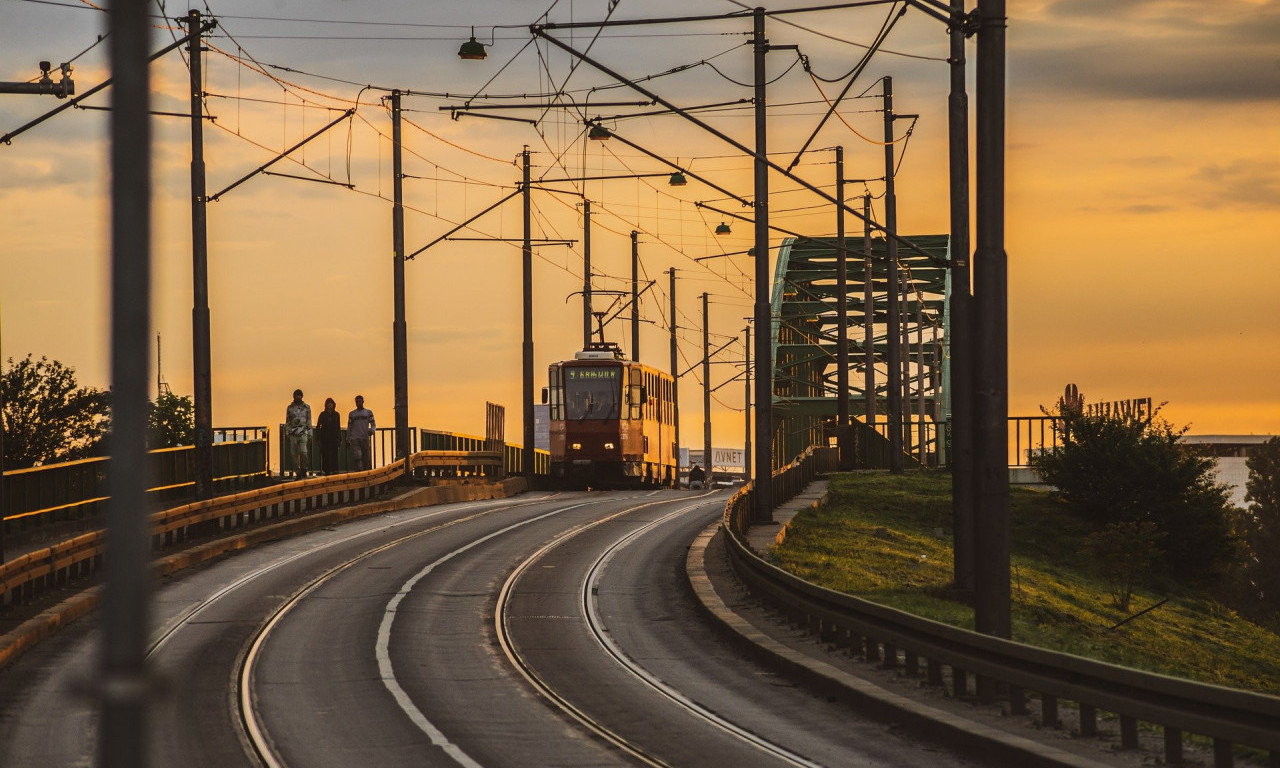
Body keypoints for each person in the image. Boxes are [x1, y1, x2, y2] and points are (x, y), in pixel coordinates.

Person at [285, 389, 312, 480]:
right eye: (296, 395)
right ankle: (298, 472)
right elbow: (288, 421)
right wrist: (287, 433)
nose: (298, 397)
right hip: (293, 432)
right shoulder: (290, 408)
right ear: (294, 396)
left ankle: (304, 468)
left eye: (299, 395)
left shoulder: (307, 407)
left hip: (303, 432)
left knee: (303, 452)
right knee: (293, 454)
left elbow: (309, 420)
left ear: (302, 396)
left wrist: (310, 433)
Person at [347, 395, 376, 471]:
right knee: (358, 457)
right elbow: (349, 427)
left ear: (363, 402)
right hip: (355, 438)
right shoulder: (352, 414)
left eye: (360, 401)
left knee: (366, 457)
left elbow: (373, 425)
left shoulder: (368, 412)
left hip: (365, 437)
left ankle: (367, 472)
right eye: (357, 402)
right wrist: (348, 439)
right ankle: (359, 472)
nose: (358, 403)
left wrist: (372, 431)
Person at [315, 397, 341, 475]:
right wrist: (318, 438)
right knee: (325, 454)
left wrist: (340, 438)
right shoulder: (322, 414)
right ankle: (326, 471)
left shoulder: (336, 414)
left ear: (333, 405)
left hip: (334, 437)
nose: (330, 405)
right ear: (326, 405)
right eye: (328, 404)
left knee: (334, 454)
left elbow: (338, 427)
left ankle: (335, 470)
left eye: (331, 404)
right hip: (324, 437)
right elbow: (318, 426)